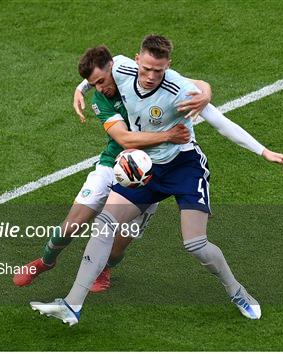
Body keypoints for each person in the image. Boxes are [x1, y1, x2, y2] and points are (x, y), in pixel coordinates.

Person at [30, 35, 283, 326]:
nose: (152, 76)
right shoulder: (121, 69)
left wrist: (264, 151)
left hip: (184, 166)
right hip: (147, 167)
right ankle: (72, 304)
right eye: (147, 69)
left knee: (196, 245)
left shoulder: (179, 89)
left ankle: (238, 292)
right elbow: (102, 65)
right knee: (104, 222)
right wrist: (80, 88)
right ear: (136, 60)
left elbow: (219, 122)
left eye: (159, 70)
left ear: (168, 66)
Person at [13, 46, 211, 291]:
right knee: (73, 224)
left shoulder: (143, 75)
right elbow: (125, 139)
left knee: (118, 246)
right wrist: (169, 135)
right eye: (92, 84)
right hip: (112, 165)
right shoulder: (102, 97)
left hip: (150, 173)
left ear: (113, 70)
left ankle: (104, 267)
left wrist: (206, 94)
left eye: (100, 81)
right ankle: (45, 261)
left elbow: (198, 84)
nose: (99, 88)